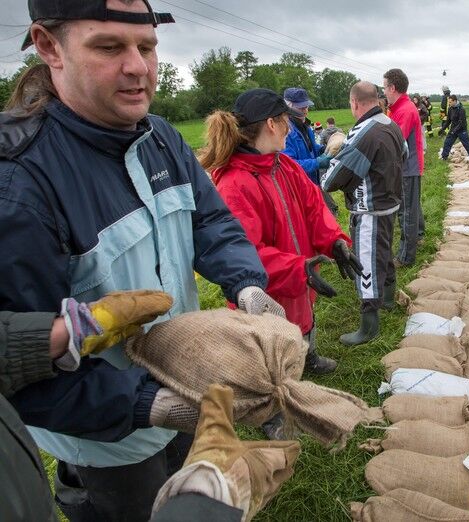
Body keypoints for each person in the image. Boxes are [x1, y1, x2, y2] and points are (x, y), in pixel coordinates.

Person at [0, 1, 280, 519]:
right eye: (109, 47)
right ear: (47, 45)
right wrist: (148, 404)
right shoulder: (18, 181)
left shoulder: (162, 138)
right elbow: (19, 365)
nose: (138, 67)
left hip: (184, 389)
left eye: (147, 47)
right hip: (107, 441)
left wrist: (247, 284)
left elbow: (211, 222)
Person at [0, 305, 296, 521]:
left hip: (171, 395)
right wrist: (207, 501)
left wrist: (59, 334)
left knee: (175, 459)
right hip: (107, 445)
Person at [199, 88, 361, 379]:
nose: (290, 126)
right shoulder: (234, 184)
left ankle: (307, 356)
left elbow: (314, 208)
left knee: (304, 319)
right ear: (272, 124)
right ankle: (273, 400)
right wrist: (298, 268)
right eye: (286, 119)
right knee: (271, 345)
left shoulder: (283, 164)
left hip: (299, 275)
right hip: (266, 291)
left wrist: (334, 241)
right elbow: (244, 254)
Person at [321, 81, 405, 346]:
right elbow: (403, 153)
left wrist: (327, 176)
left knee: (367, 262)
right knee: (385, 253)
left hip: (370, 209)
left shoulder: (363, 134)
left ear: (355, 103)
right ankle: (389, 299)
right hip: (390, 202)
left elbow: (334, 178)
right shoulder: (389, 124)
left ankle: (369, 326)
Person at [383, 68, 425, 268]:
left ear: (392, 88)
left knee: (406, 212)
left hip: (407, 168)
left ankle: (406, 257)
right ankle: (419, 235)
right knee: (412, 206)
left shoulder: (405, 111)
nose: (383, 92)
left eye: (384, 87)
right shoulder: (400, 108)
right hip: (408, 167)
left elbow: (395, 143)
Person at [282, 87, 338, 214]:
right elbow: (288, 165)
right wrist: (317, 163)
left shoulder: (306, 126)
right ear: (289, 106)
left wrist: (323, 149)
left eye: (306, 107)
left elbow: (311, 147)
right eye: (301, 108)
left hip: (312, 183)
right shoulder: (286, 131)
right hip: (297, 189)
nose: (306, 111)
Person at [439, 94, 469, 164]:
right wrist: (442, 129)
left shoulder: (461, 109)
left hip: (462, 130)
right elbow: (448, 121)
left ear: (455, 101)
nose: (449, 104)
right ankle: (444, 157)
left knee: (466, 144)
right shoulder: (450, 109)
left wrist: (454, 131)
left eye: (450, 102)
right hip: (453, 129)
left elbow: (461, 123)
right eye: (449, 102)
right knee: (447, 142)